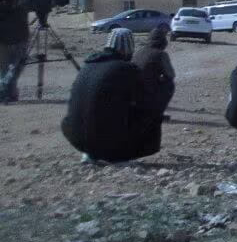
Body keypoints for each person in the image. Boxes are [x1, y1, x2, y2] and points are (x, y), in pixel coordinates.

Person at [62, 29, 163, 163]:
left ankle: (91, 153)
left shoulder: (88, 65)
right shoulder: (127, 69)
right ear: (129, 48)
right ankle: (120, 155)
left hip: (77, 139)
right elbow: (145, 102)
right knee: (151, 114)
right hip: (107, 143)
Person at [132, 25, 176, 119]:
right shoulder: (160, 54)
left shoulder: (139, 51)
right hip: (147, 90)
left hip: (134, 91)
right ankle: (157, 112)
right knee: (169, 84)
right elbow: (171, 75)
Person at [0, 0, 29, 103]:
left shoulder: (23, 1)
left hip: (20, 40)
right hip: (3, 42)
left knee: (16, 69)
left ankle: (10, 92)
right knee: (5, 70)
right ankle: (6, 93)